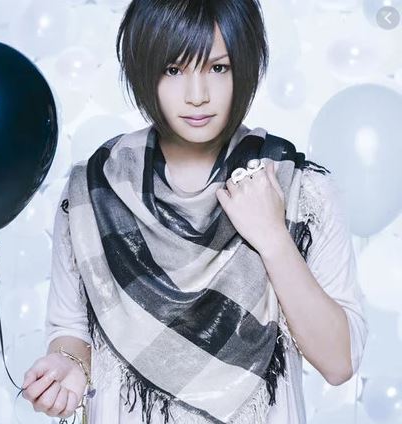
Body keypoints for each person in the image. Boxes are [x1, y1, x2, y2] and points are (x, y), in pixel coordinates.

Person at [21, 1, 368, 423]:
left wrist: (275, 239)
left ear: (244, 66)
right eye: (174, 69)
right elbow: (70, 329)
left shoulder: (298, 189)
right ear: (144, 69)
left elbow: (339, 362)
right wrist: (68, 366)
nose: (197, 95)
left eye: (218, 68)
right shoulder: (96, 191)